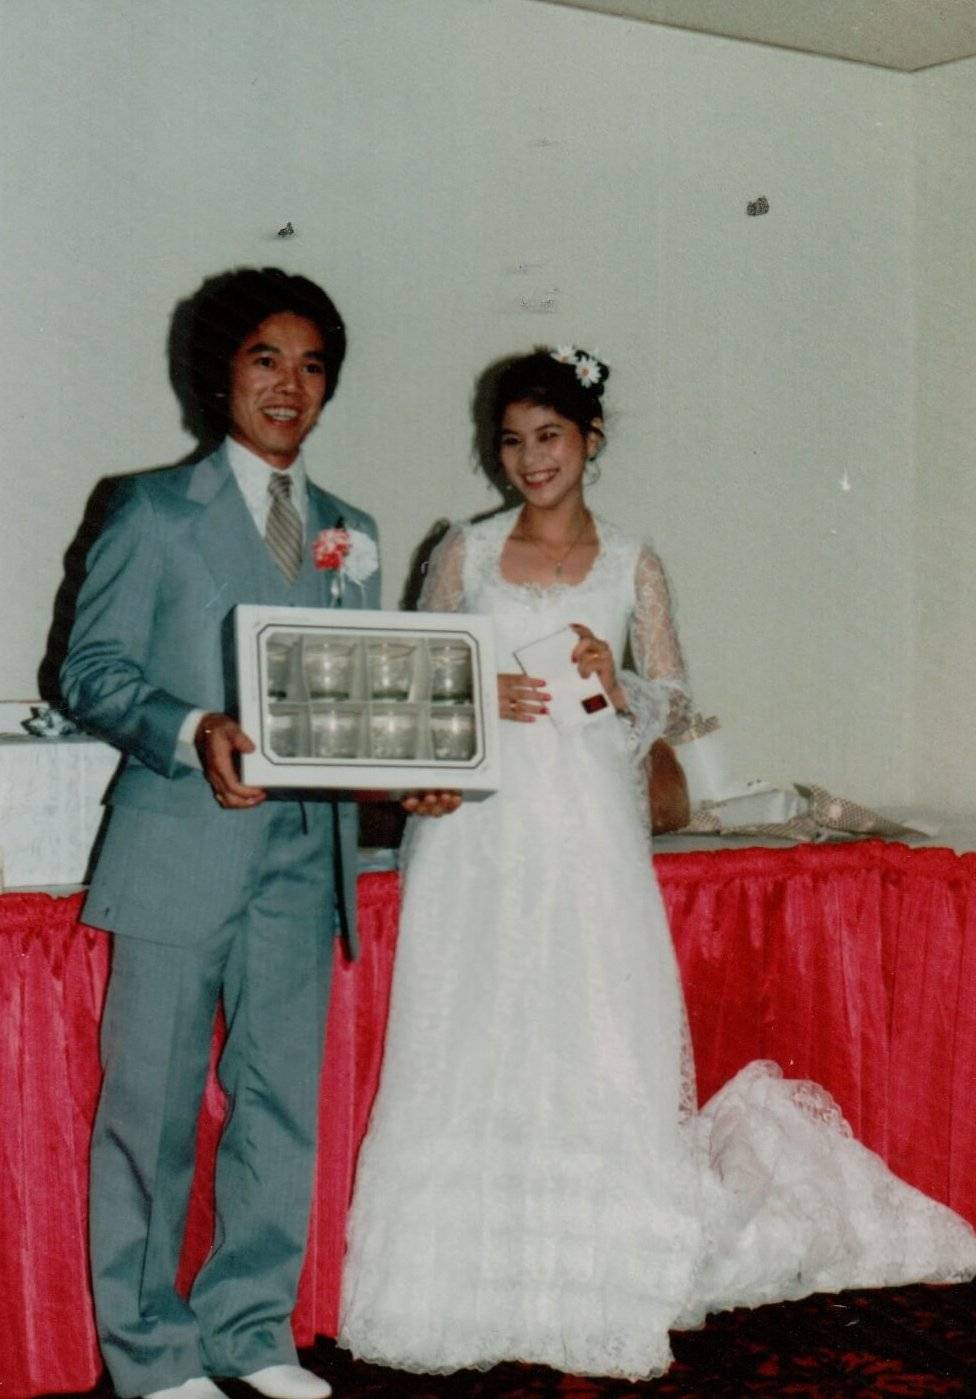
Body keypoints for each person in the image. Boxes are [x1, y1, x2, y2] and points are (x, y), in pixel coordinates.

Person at [337, 347, 976, 1381]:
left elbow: (675, 699)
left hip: (585, 826)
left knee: (589, 1028)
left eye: (548, 436)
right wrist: (479, 693)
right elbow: (417, 680)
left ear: (589, 439)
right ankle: (462, 1283)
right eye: (511, 441)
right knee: (475, 1023)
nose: (529, 458)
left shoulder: (631, 559)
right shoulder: (466, 549)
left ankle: (595, 1274)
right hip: (481, 833)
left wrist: (616, 677)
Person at [60, 267, 454, 1399]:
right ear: (219, 373)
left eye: (313, 365)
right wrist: (191, 730)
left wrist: (409, 778)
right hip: (180, 846)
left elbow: (362, 706)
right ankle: (150, 1354)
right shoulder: (149, 510)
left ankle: (252, 1331)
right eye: (265, 360)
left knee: (281, 1101)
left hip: (305, 860)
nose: (290, 386)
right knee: (153, 1112)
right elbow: (89, 672)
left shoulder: (353, 531)